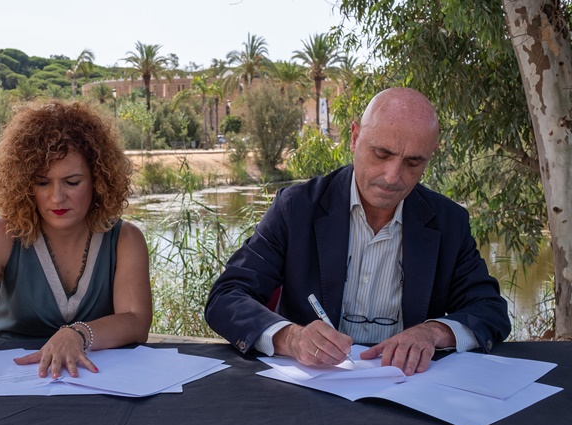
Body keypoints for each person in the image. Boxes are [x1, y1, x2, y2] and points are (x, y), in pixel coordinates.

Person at [205, 87, 510, 376]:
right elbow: (227, 297)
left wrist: (432, 332)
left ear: (430, 156)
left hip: (409, 389)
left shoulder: (448, 222)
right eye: (381, 154)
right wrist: (292, 338)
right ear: (354, 137)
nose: (393, 177)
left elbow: (490, 310)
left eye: (413, 163)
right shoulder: (296, 209)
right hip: (314, 386)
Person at [0, 100, 152, 378]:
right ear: (23, 182)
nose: (57, 197)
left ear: (99, 180)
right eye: (42, 183)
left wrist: (79, 334)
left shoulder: (125, 239)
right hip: (4, 384)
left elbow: (136, 323)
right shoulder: (2, 235)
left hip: (95, 384)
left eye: (72, 182)